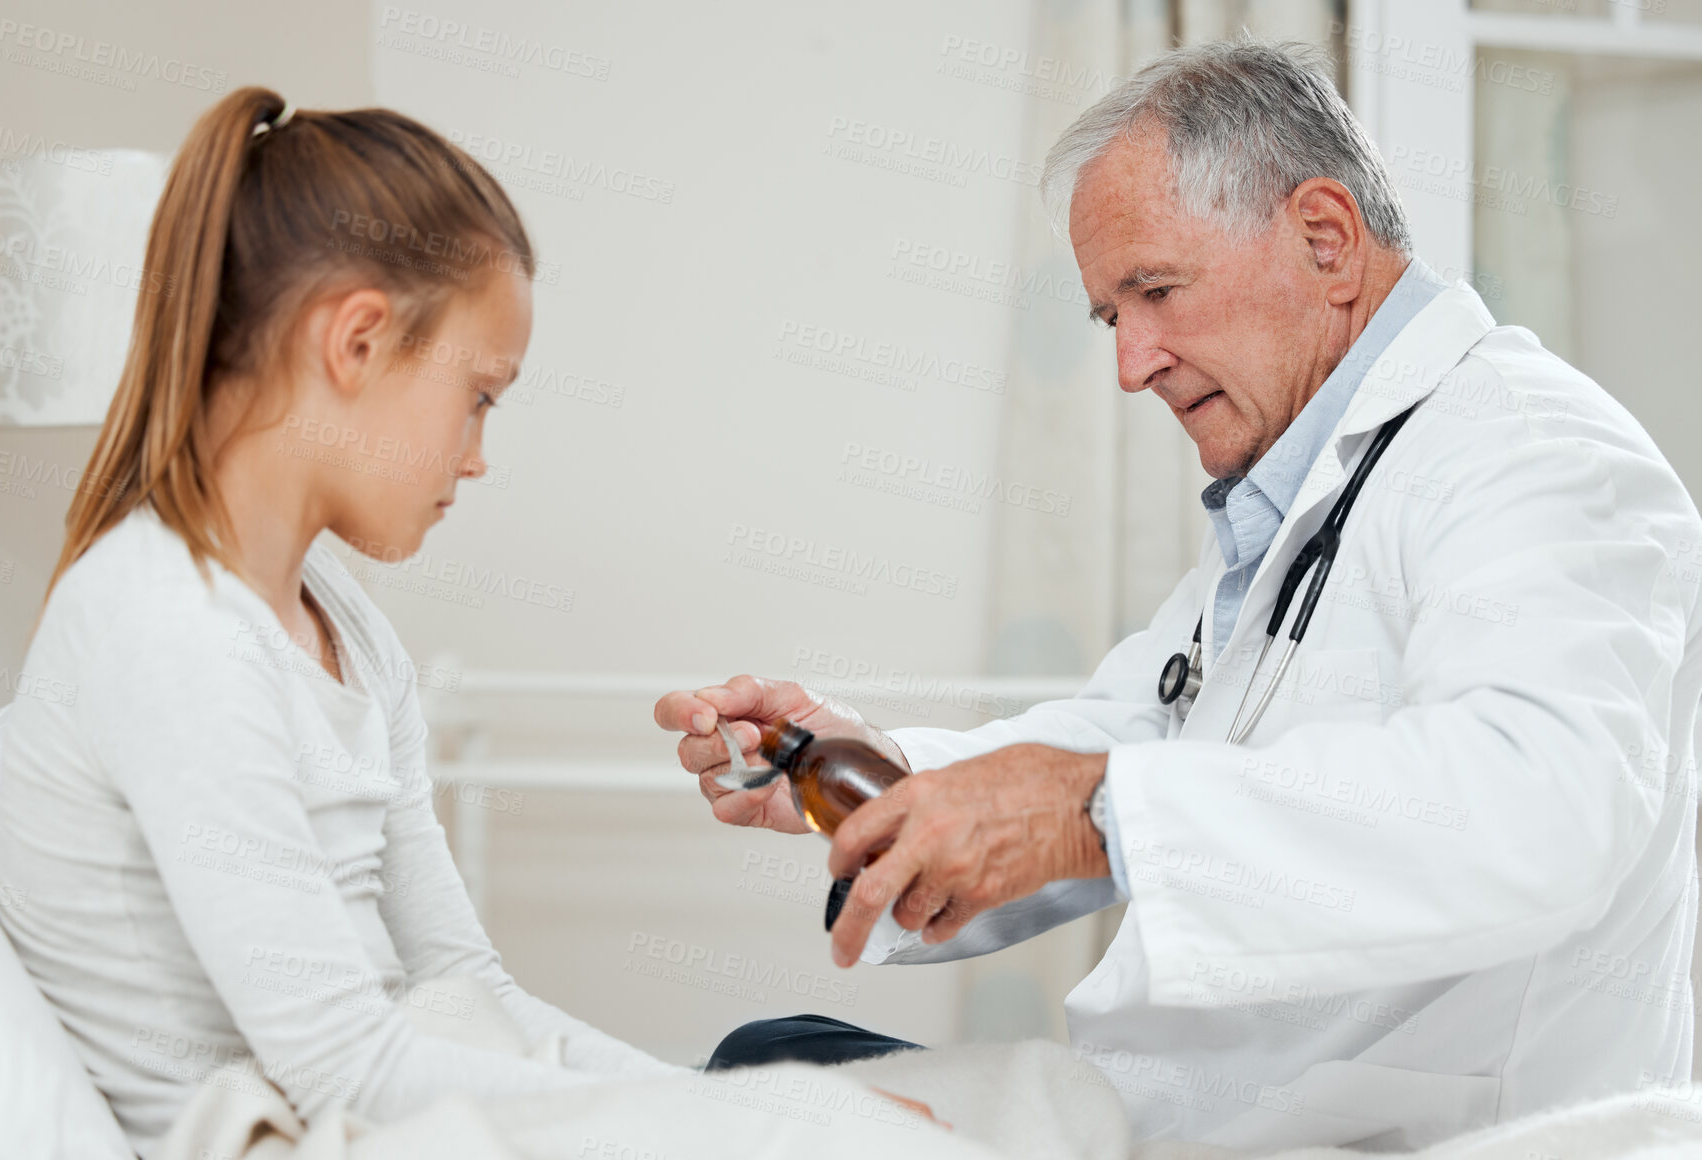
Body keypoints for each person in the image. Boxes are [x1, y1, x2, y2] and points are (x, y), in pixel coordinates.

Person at [655, 39, 1702, 1150]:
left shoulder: (1531, 451)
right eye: (1114, 316)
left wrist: (1093, 811)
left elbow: (1537, 806)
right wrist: (881, 783)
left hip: (1401, 1132)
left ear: (1324, 239)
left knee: (763, 1098)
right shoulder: (1301, 490)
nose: (1131, 363)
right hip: (1174, 1116)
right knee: (769, 1057)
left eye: (1155, 291)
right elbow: (1134, 730)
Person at [0, 88, 679, 1157]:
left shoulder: (348, 631)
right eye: (480, 395)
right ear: (356, 340)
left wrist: (743, 1109)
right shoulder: (163, 626)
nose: (479, 452)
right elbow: (348, 1064)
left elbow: (462, 978)